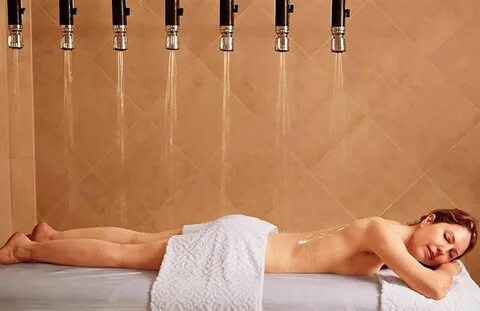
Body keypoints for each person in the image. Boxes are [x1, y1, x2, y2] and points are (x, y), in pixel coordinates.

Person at [0, 208, 477, 300]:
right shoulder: (385, 232)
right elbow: (433, 288)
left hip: (249, 234)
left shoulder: (388, 232)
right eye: (447, 238)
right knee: (130, 257)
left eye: (449, 252)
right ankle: (24, 250)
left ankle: (51, 234)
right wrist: (453, 267)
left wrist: (449, 260)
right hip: (239, 248)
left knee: (138, 240)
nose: (440, 251)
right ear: (431, 219)